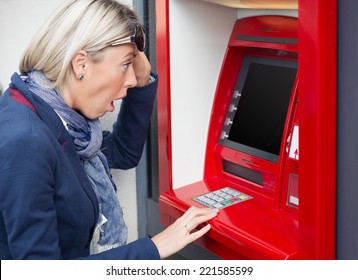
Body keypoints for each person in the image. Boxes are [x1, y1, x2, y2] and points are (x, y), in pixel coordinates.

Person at [0, 0, 218, 260]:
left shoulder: (56, 112)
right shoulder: (26, 140)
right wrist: (156, 247)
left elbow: (122, 152)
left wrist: (142, 75)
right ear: (81, 64)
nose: (132, 79)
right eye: (126, 65)